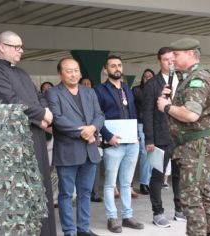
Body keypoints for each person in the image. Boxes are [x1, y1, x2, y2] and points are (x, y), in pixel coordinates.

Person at [0, 30, 57, 236]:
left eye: (21, 47)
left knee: (41, 188)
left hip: (36, 138)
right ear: (2, 47)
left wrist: (46, 111)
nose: (21, 50)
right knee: (21, 193)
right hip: (13, 144)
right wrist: (42, 115)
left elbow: (39, 95)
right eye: (16, 47)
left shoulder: (22, 73)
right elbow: (11, 102)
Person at [157, 38, 210, 236]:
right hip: (194, 146)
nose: (172, 59)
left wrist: (166, 107)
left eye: (176, 54)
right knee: (201, 194)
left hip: (196, 146)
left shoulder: (196, 79)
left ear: (191, 54)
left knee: (191, 198)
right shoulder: (189, 78)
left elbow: (191, 114)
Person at [46, 58, 104, 236]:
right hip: (68, 151)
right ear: (60, 74)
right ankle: (69, 231)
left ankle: (83, 228)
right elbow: (57, 118)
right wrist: (83, 132)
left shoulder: (89, 92)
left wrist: (93, 128)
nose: (73, 74)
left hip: (89, 151)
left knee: (85, 193)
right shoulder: (53, 93)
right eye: (68, 71)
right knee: (65, 194)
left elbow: (99, 114)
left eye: (76, 70)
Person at [94, 55, 144, 233]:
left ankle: (127, 216)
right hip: (113, 143)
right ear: (106, 70)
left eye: (119, 65)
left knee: (126, 183)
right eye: (113, 66)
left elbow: (133, 113)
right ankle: (112, 218)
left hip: (131, 142)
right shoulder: (99, 90)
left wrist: (137, 136)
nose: (117, 68)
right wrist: (108, 136)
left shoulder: (126, 89)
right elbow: (97, 116)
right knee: (109, 183)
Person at [142, 47, 184, 228]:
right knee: (158, 176)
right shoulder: (152, 84)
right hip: (160, 136)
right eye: (166, 59)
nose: (170, 62)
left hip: (181, 136)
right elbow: (147, 113)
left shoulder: (183, 80)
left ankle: (180, 209)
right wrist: (149, 139)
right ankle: (157, 212)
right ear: (159, 61)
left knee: (179, 174)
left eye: (172, 59)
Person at [132, 68, 155, 195]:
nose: (148, 78)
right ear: (142, 78)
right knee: (144, 153)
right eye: (145, 76)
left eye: (150, 76)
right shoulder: (137, 90)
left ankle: (150, 181)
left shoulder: (158, 89)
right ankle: (143, 183)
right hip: (140, 124)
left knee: (152, 154)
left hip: (153, 125)